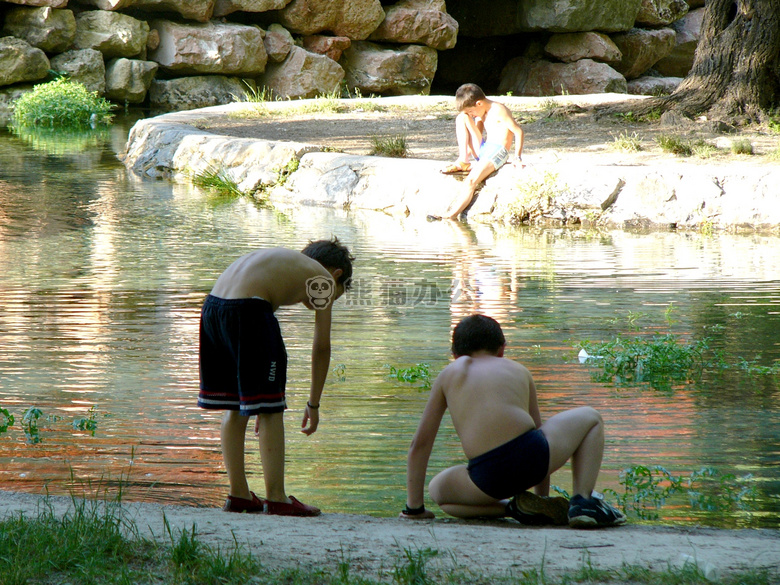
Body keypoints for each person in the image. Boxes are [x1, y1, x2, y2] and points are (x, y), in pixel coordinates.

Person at [400, 314, 626, 528]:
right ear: (502, 349)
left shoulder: (450, 373)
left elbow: (420, 445)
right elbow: (540, 432)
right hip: (534, 457)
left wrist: (414, 508)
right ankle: (582, 502)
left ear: (455, 355)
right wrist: (542, 498)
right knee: (591, 418)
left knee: (440, 494)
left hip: (486, 478)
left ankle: (510, 509)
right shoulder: (518, 369)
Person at [198, 237, 354, 516]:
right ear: (336, 275)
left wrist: (259, 401)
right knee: (271, 411)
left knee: (236, 406)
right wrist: (313, 405)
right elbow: (321, 348)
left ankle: (239, 494)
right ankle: (277, 498)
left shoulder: (285, 263)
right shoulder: (323, 279)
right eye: (336, 295)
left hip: (213, 308)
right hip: (248, 310)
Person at [440, 83, 526, 220]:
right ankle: (463, 160)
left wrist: (517, 157)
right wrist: (469, 152)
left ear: (479, 103)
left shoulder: (498, 110)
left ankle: (451, 215)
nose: (471, 115)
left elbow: (518, 131)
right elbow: (476, 136)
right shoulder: (481, 112)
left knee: (471, 181)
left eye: (471, 112)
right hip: (485, 149)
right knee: (461, 117)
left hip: (497, 151)